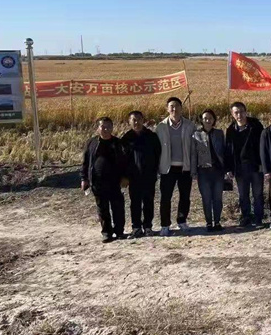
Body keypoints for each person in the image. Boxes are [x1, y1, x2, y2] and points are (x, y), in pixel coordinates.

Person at [81, 117, 127, 242]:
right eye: (103, 127)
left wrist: (125, 177)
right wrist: (84, 178)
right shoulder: (91, 143)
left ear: (112, 128)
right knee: (102, 208)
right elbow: (85, 162)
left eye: (108, 127)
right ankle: (106, 232)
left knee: (118, 208)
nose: (106, 129)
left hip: (115, 182)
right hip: (98, 181)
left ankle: (119, 231)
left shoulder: (118, 143)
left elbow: (125, 162)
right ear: (98, 128)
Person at [156, 96, 196, 236]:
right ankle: (165, 225)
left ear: (181, 108)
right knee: (165, 197)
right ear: (167, 109)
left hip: (185, 167)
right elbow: (157, 149)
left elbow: (194, 148)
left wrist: (194, 167)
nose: (174, 109)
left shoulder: (190, 125)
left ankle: (182, 221)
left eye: (177, 106)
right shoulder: (160, 127)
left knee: (185, 196)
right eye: (171, 106)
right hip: (167, 167)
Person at [121, 110, 161, 238]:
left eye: (139, 119)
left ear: (143, 120)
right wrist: (124, 176)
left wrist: (155, 171)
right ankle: (136, 227)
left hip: (149, 176)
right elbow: (123, 160)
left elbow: (158, 154)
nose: (136, 122)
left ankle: (148, 227)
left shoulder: (151, 136)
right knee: (135, 203)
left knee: (149, 201)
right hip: (133, 178)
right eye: (134, 120)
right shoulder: (126, 138)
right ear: (129, 122)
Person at [225, 101, 265, 228]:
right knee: (243, 195)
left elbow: (263, 146)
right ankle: (246, 217)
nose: (239, 115)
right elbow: (228, 151)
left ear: (246, 112)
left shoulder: (256, 126)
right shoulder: (230, 130)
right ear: (232, 114)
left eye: (241, 112)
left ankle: (258, 218)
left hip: (255, 166)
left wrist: (263, 164)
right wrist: (229, 168)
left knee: (258, 194)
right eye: (236, 112)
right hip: (240, 168)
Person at [191, 109, 226, 232]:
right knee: (206, 198)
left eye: (210, 118)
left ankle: (217, 221)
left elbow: (224, 151)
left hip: (217, 171)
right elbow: (193, 154)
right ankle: (209, 223)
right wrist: (193, 172)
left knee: (217, 198)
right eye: (205, 118)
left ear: (214, 120)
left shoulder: (219, 133)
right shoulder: (196, 134)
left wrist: (226, 169)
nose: (208, 120)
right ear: (201, 120)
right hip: (203, 171)